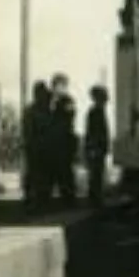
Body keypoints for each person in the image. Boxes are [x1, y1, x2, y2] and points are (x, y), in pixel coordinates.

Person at [47, 74, 78, 208]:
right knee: (50, 173)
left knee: (65, 173)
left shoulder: (68, 100)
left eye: (63, 85)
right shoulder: (48, 100)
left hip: (64, 142)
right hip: (51, 143)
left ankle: (68, 200)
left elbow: (69, 116)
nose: (61, 88)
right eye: (58, 85)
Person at [22, 82, 51, 210]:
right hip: (36, 148)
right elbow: (29, 131)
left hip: (41, 148)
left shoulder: (40, 110)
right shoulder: (33, 111)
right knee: (34, 175)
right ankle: (32, 200)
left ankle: (38, 201)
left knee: (40, 175)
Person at [84, 86, 110, 208]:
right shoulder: (95, 112)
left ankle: (96, 197)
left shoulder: (98, 112)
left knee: (97, 173)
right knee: (96, 174)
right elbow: (93, 132)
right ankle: (95, 199)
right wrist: (93, 148)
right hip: (96, 148)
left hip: (98, 148)